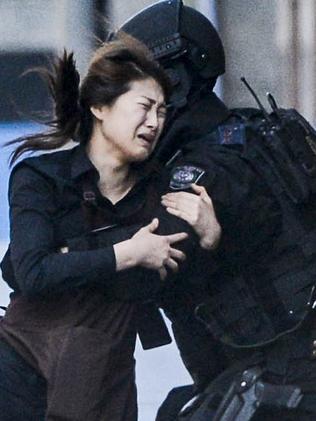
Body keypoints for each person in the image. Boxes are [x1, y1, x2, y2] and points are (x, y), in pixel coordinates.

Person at [103, 1, 316, 419]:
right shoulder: (253, 133)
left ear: (173, 85)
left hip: (280, 383)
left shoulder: (201, 173)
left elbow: (139, 256)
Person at [0, 34, 221, 421]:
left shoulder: (162, 192)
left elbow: (158, 282)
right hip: (17, 365)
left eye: (163, 111)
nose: (155, 122)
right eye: (145, 106)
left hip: (98, 382)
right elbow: (30, 272)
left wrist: (210, 237)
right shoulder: (41, 176)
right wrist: (127, 253)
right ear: (100, 106)